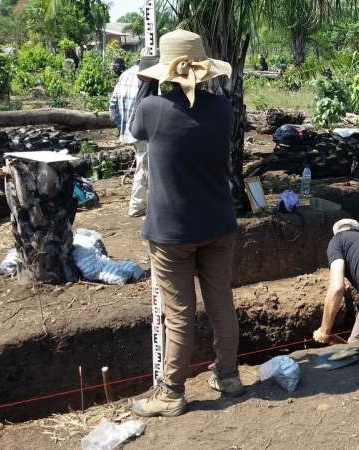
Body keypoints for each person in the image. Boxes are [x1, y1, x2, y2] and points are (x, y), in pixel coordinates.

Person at [129, 29, 242, 417]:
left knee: (178, 314)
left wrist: (147, 79)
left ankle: (172, 392)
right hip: (218, 224)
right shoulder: (223, 108)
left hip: (172, 232)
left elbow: (135, 129)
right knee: (221, 303)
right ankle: (228, 376)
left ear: (164, 72)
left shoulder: (153, 110)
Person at [109, 52, 157, 217]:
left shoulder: (125, 74)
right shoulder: (148, 76)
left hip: (130, 131)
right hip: (142, 132)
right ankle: (137, 206)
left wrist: (122, 127)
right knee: (144, 167)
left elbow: (112, 106)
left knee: (142, 164)